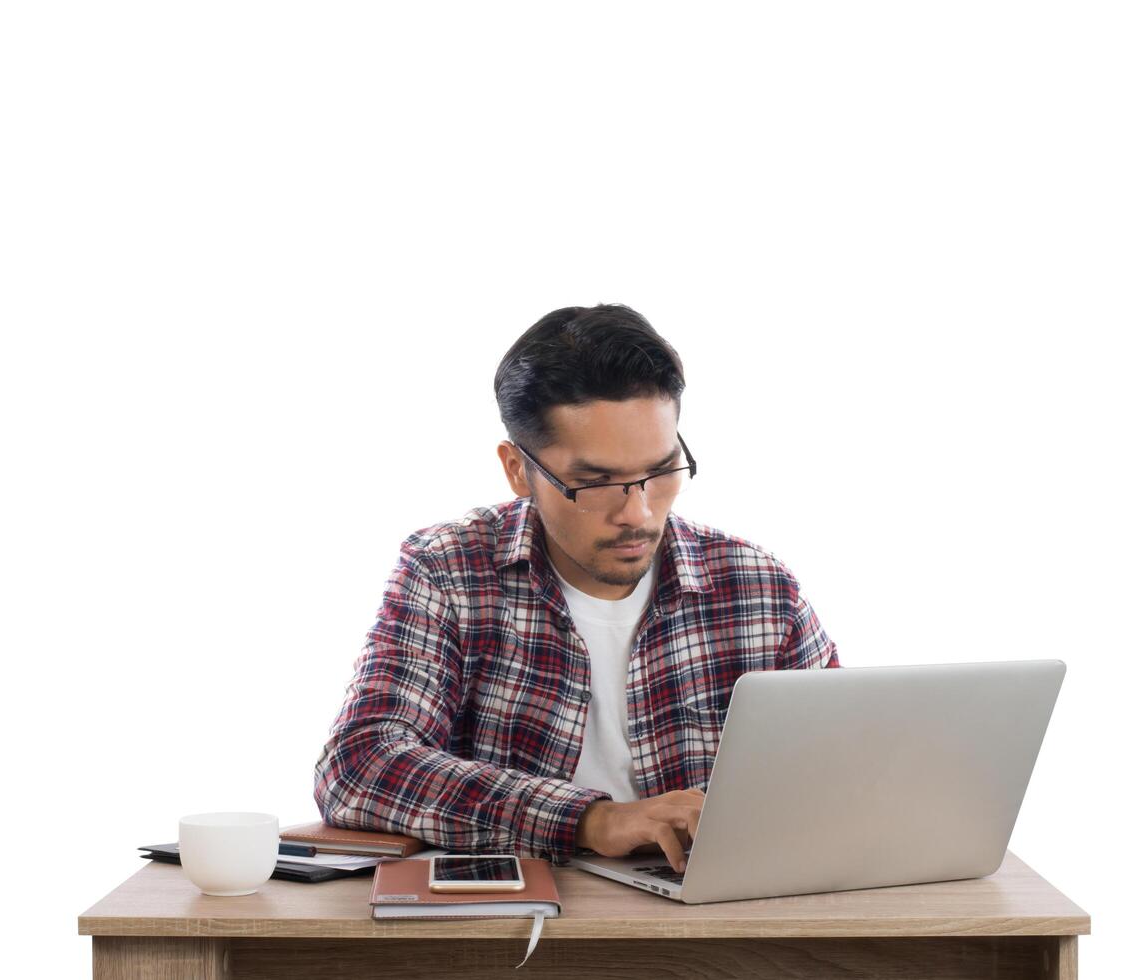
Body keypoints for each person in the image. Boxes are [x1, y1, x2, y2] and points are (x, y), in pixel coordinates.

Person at [312, 304, 840, 874]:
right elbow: (360, 764)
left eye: (661, 471)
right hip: (521, 931)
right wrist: (592, 821)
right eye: (594, 483)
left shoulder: (758, 587)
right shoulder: (450, 570)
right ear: (518, 469)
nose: (637, 513)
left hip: (715, 923)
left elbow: (848, 766)